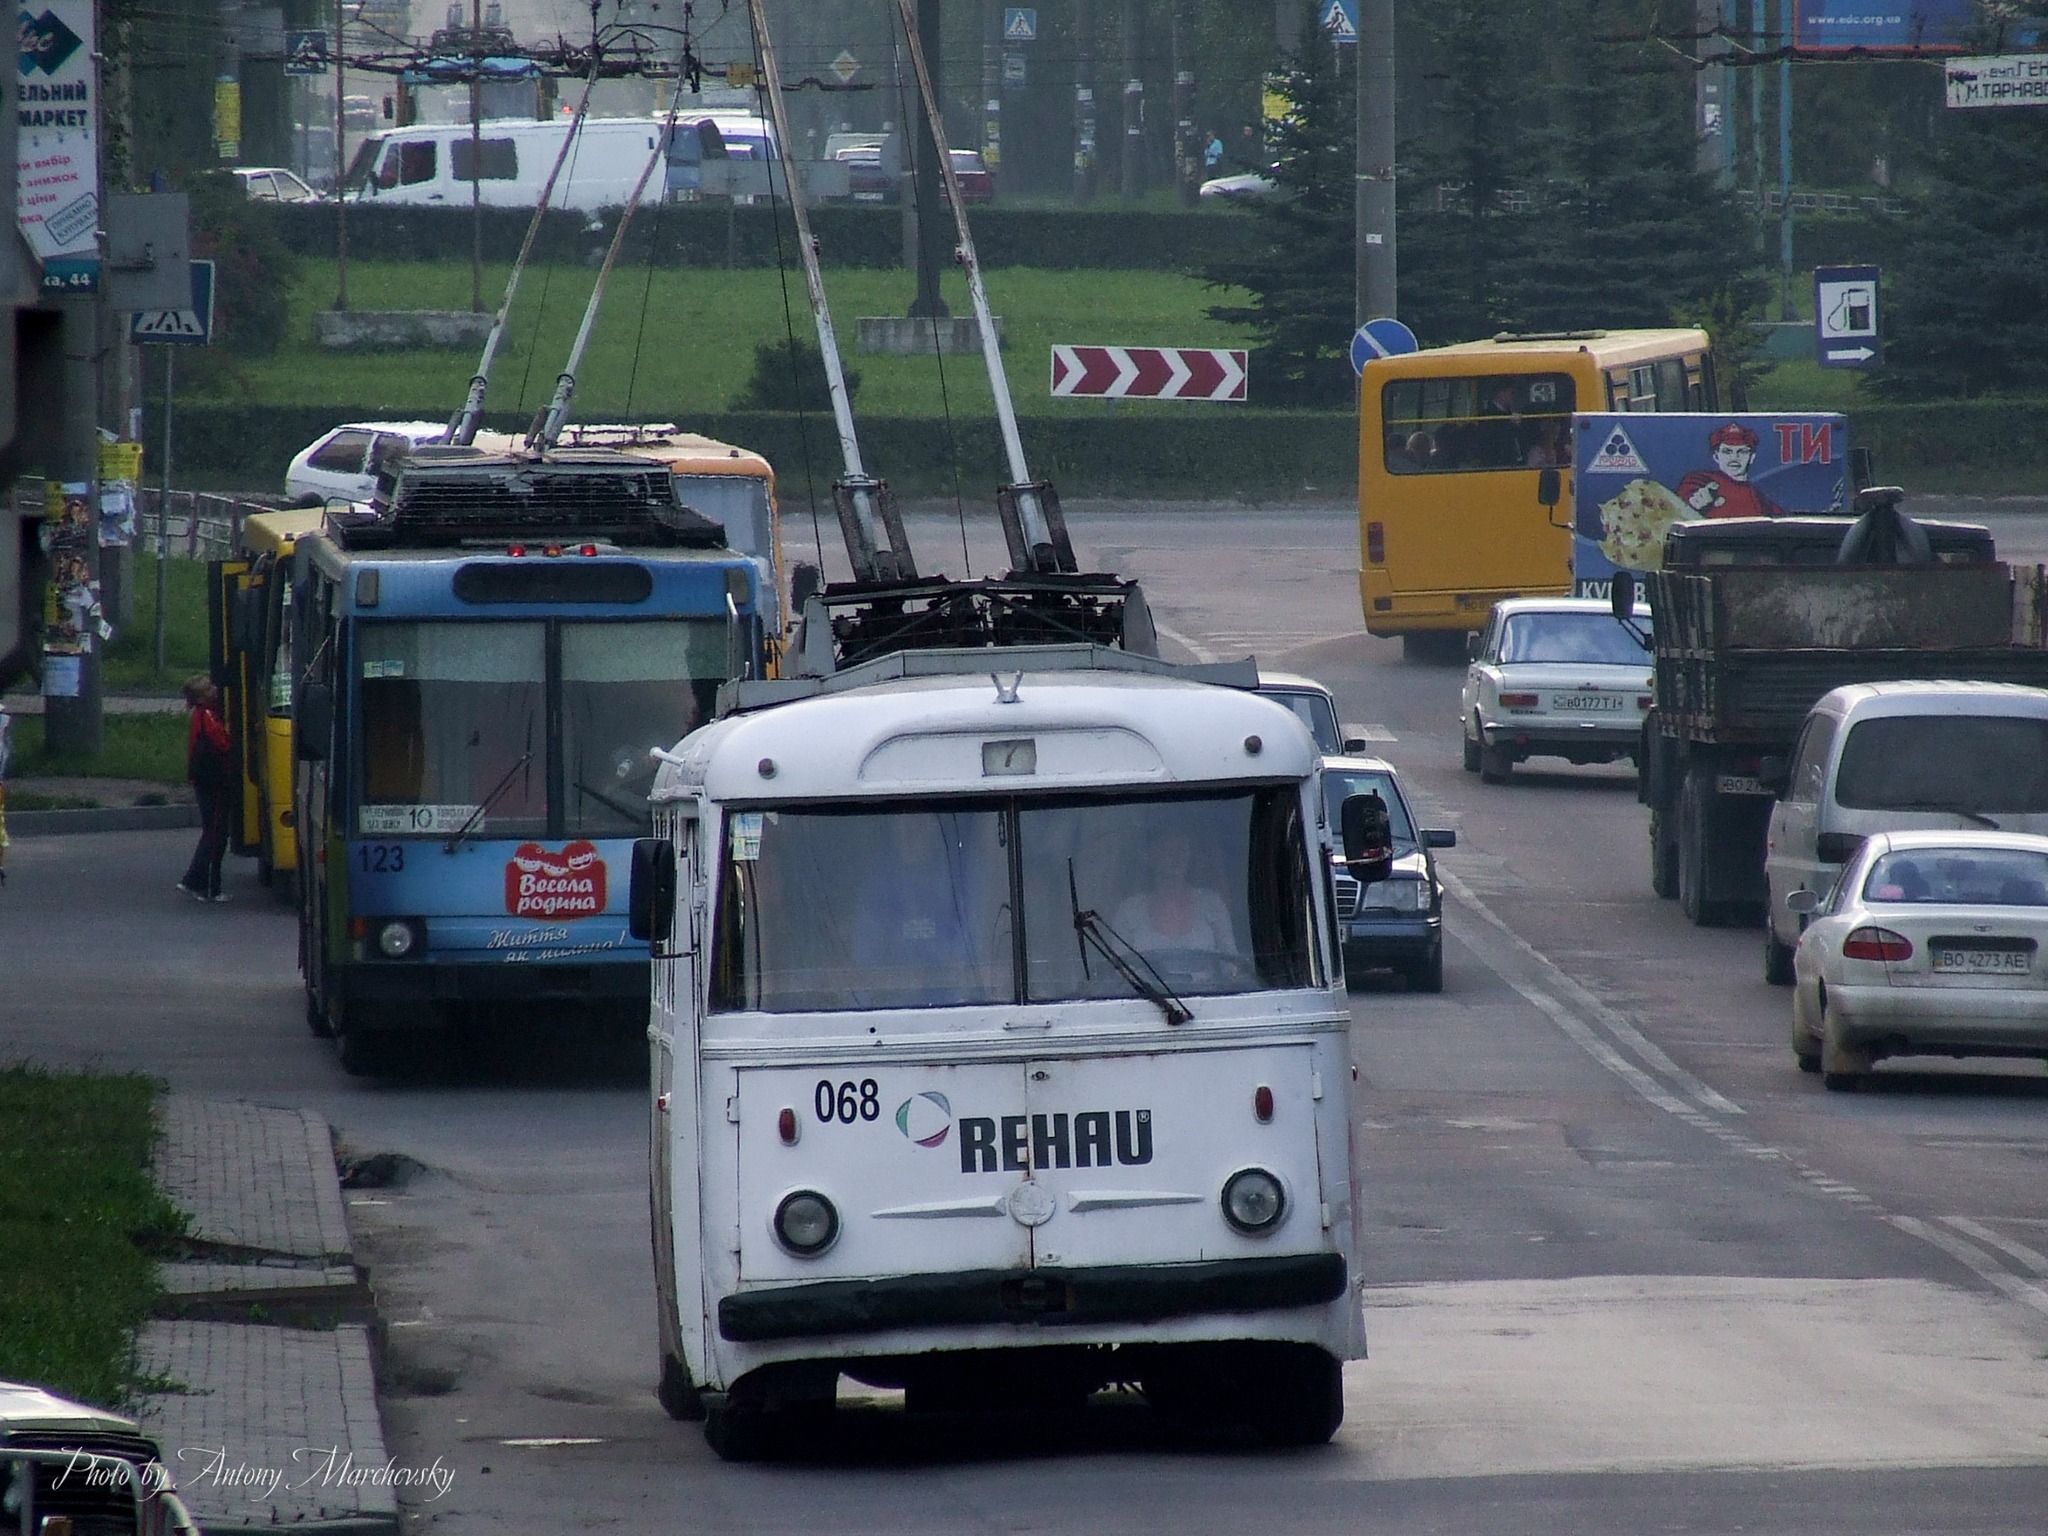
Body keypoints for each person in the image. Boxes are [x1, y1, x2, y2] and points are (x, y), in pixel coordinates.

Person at [1111, 828, 1236, 955]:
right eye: (1167, 850)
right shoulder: (1129, 911)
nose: (1176, 856)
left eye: (1181, 849)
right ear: (1149, 856)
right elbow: (1118, 967)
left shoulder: (1212, 904)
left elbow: (1231, 964)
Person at [178, 675, 234, 902]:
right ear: (202, 696)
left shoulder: (200, 715)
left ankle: (195, 880)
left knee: (212, 832)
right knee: (215, 834)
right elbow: (224, 743)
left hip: (204, 780)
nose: (215, 689)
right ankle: (206, 885)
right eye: (210, 688)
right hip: (214, 782)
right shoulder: (208, 716)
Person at [1677, 422, 1787, 520]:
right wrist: (1694, 503)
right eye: (1727, 452)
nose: (1734, 457)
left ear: (1752, 457)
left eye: (1742, 451)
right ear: (1716, 456)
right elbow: (1680, 501)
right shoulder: (1701, 479)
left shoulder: (1760, 499)